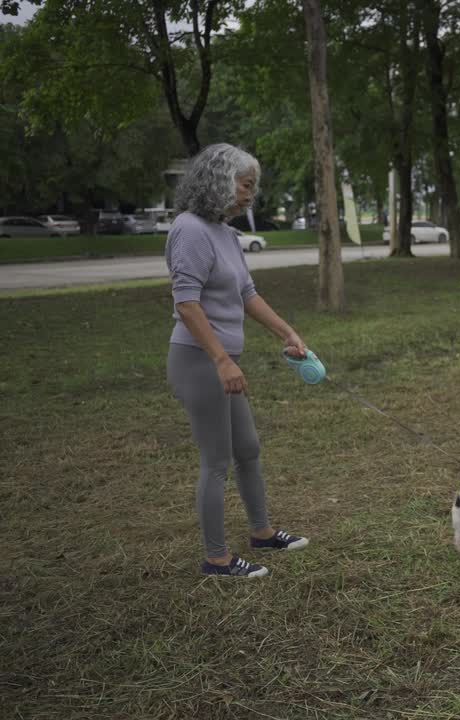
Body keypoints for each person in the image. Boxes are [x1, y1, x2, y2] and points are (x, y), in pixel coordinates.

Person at [165, 143, 310, 578]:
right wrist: (222, 360)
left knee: (248, 449)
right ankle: (217, 559)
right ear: (218, 180)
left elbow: (247, 295)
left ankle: (262, 532)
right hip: (199, 360)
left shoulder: (226, 235)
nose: (250, 195)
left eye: (253, 186)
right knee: (217, 461)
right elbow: (187, 304)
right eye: (245, 185)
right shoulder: (188, 229)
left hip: (222, 361)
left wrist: (287, 332)